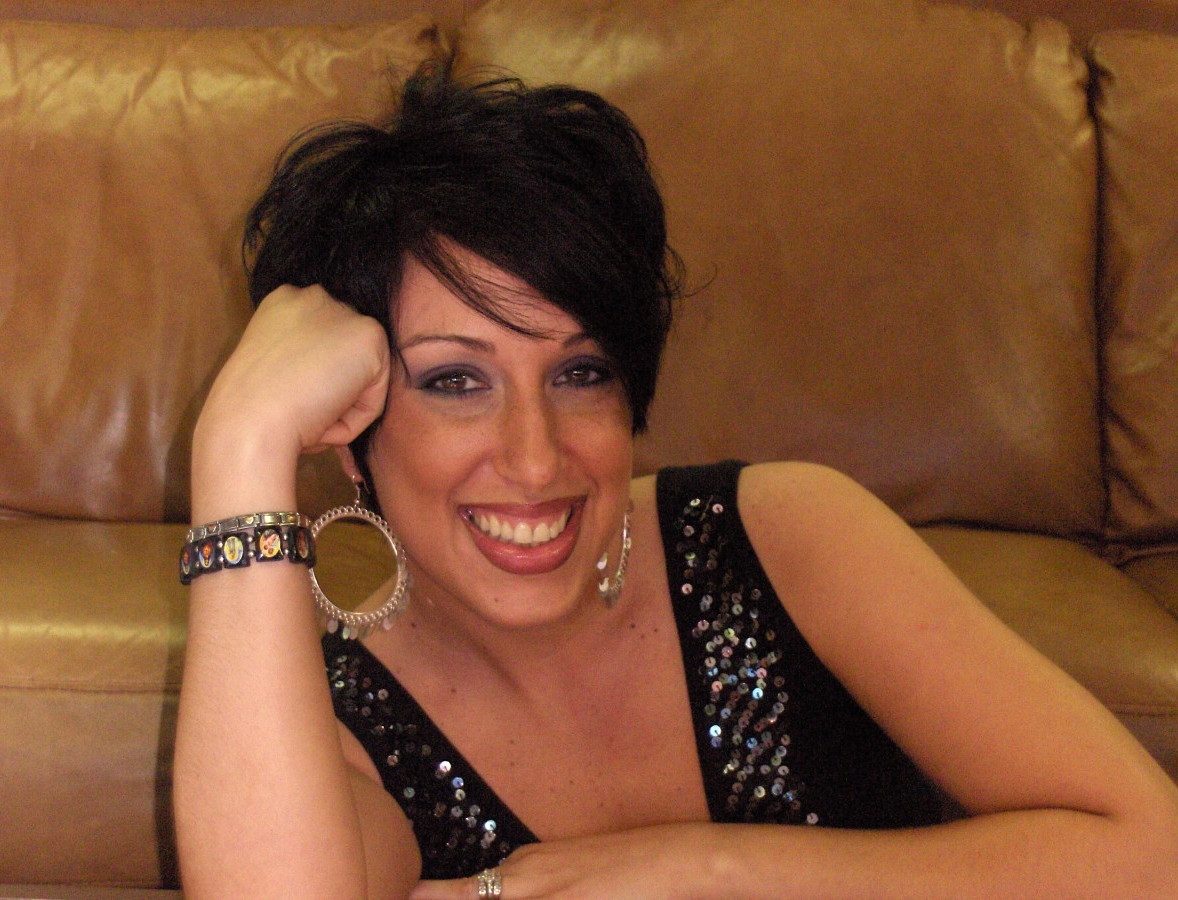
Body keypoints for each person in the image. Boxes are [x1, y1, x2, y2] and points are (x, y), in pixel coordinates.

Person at [173, 63, 1178, 899]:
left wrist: (705, 868)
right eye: (456, 382)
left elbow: (1150, 852)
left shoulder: (787, 538)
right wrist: (240, 446)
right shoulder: (343, 725)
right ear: (352, 434)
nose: (535, 459)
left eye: (580, 373)